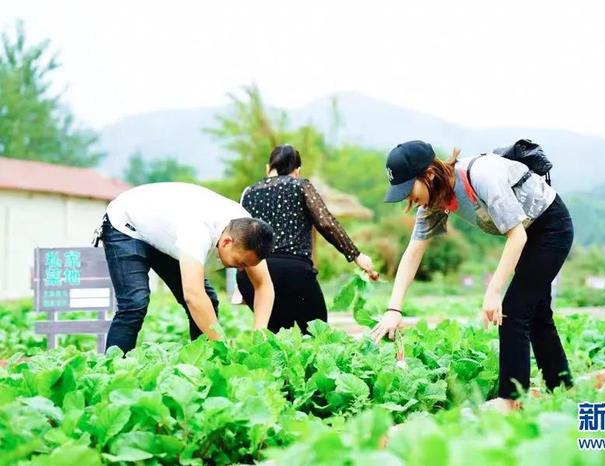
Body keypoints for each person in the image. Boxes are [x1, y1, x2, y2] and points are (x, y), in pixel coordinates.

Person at [371, 140, 574, 412]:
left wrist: (493, 291)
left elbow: (517, 236)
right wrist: (394, 308)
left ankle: (511, 400)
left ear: (429, 175)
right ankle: (563, 389)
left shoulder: (482, 176)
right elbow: (413, 252)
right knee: (536, 314)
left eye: (409, 189)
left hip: (550, 228)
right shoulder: (433, 202)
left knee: (513, 311)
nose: (409, 198)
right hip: (528, 233)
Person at [96, 182, 275, 354]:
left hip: (166, 231)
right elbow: (193, 296)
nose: (242, 270)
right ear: (227, 242)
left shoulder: (251, 234)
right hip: (127, 224)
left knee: (209, 302)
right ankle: (113, 367)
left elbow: (264, 286)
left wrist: (259, 337)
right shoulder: (197, 233)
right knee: (134, 303)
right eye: (241, 263)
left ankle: (205, 365)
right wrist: (222, 347)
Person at [236, 144, 379, 333]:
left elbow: (239, 235)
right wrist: (356, 255)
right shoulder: (301, 186)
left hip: (254, 275)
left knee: (273, 339)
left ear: (267, 168)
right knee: (316, 333)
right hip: (294, 274)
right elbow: (326, 223)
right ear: (297, 171)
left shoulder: (248, 193)